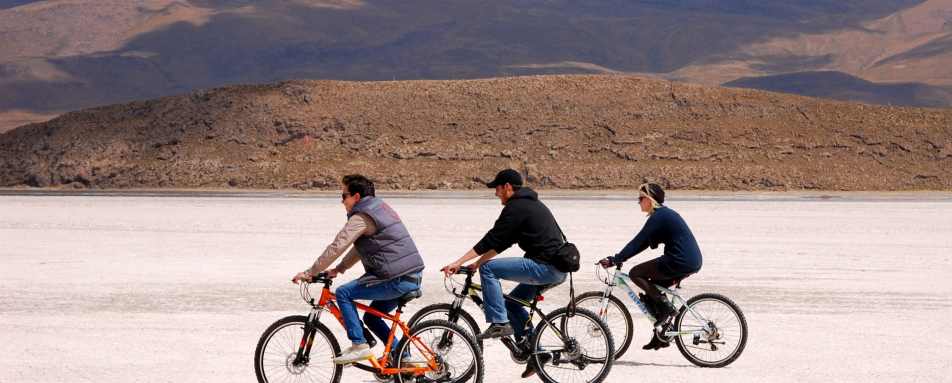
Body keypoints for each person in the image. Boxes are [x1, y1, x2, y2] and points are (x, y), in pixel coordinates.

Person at [441, 168, 566, 378]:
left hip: (545, 267)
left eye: (497, 188)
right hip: (555, 268)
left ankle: (499, 322)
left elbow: (491, 238)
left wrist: (460, 262)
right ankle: (537, 352)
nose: (495, 193)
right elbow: (503, 242)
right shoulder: (528, 204)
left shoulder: (516, 207)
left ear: (508, 187)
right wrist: (477, 263)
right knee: (513, 303)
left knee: (490, 270)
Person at [292, 174, 425, 364]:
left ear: (356, 196)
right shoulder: (377, 208)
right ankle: (402, 356)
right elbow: (359, 247)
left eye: (343, 195)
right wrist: (340, 268)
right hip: (410, 275)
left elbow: (338, 245)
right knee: (371, 318)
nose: (341, 201)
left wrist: (310, 273)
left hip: (397, 278)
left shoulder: (362, 216)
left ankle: (359, 345)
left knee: (343, 293)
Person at [599, 182, 702, 350]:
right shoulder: (662, 216)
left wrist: (616, 259)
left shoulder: (659, 216)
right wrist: (619, 258)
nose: (638, 202)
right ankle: (661, 334)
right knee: (652, 293)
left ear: (649, 199)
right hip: (688, 260)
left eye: (640, 198)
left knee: (635, 273)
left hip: (680, 260)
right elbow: (643, 243)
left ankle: (667, 308)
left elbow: (638, 241)